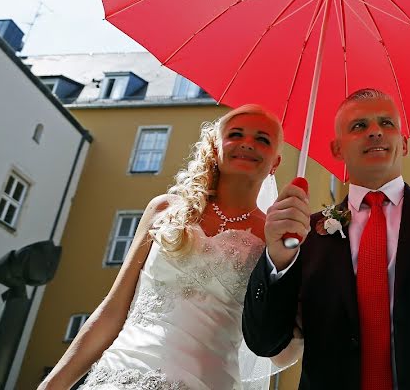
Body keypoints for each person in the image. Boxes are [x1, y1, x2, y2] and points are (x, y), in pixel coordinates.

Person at [243, 88, 410, 389]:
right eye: (359, 126)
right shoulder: (304, 232)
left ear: (403, 143)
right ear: (337, 149)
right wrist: (277, 258)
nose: (375, 132)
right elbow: (265, 342)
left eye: (386, 123)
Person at [41, 104, 296, 390]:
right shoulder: (164, 210)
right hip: (121, 374)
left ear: (275, 162)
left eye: (262, 139)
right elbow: (113, 310)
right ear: (215, 147)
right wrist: (52, 385)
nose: (248, 143)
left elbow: (279, 348)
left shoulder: (275, 238)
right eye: (236, 134)